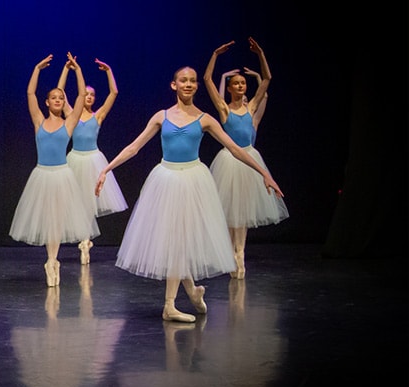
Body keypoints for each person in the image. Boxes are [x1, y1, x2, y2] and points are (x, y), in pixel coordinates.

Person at [95, 65, 284, 323]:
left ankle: (183, 297)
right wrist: (106, 169)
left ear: (196, 86)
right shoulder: (161, 116)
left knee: (181, 239)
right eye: (183, 80)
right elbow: (134, 147)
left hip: (193, 180)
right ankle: (176, 301)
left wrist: (264, 173)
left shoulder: (205, 119)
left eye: (192, 81)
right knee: (175, 238)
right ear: (174, 85)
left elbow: (235, 148)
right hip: (167, 179)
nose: (188, 84)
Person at [9, 53, 100, 287]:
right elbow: (30, 93)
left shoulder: (69, 123)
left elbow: (81, 96)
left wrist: (78, 70)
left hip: (61, 175)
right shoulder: (39, 121)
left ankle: (52, 260)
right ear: (47, 102)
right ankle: (51, 261)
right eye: (54, 97)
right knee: (48, 221)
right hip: (42, 174)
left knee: (57, 221)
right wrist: (37, 69)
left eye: (61, 97)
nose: (58, 100)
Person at [203, 37, 288, 278]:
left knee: (242, 211)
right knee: (231, 212)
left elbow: (267, 80)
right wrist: (215, 55)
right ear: (230, 88)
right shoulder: (224, 110)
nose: (241, 86)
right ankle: (233, 252)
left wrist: (260, 54)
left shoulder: (250, 109)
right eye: (236, 83)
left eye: (243, 83)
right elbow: (207, 80)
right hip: (230, 161)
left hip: (249, 160)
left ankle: (239, 253)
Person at [57, 56, 129, 264]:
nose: (88, 97)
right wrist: (66, 69)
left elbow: (114, 93)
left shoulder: (98, 116)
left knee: (89, 201)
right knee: (76, 202)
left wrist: (109, 71)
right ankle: (84, 239)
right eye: (85, 94)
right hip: (75, 159)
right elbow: (59, 92)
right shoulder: (71, 113)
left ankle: (85, 240)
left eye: (92, 95)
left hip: (93, 160)